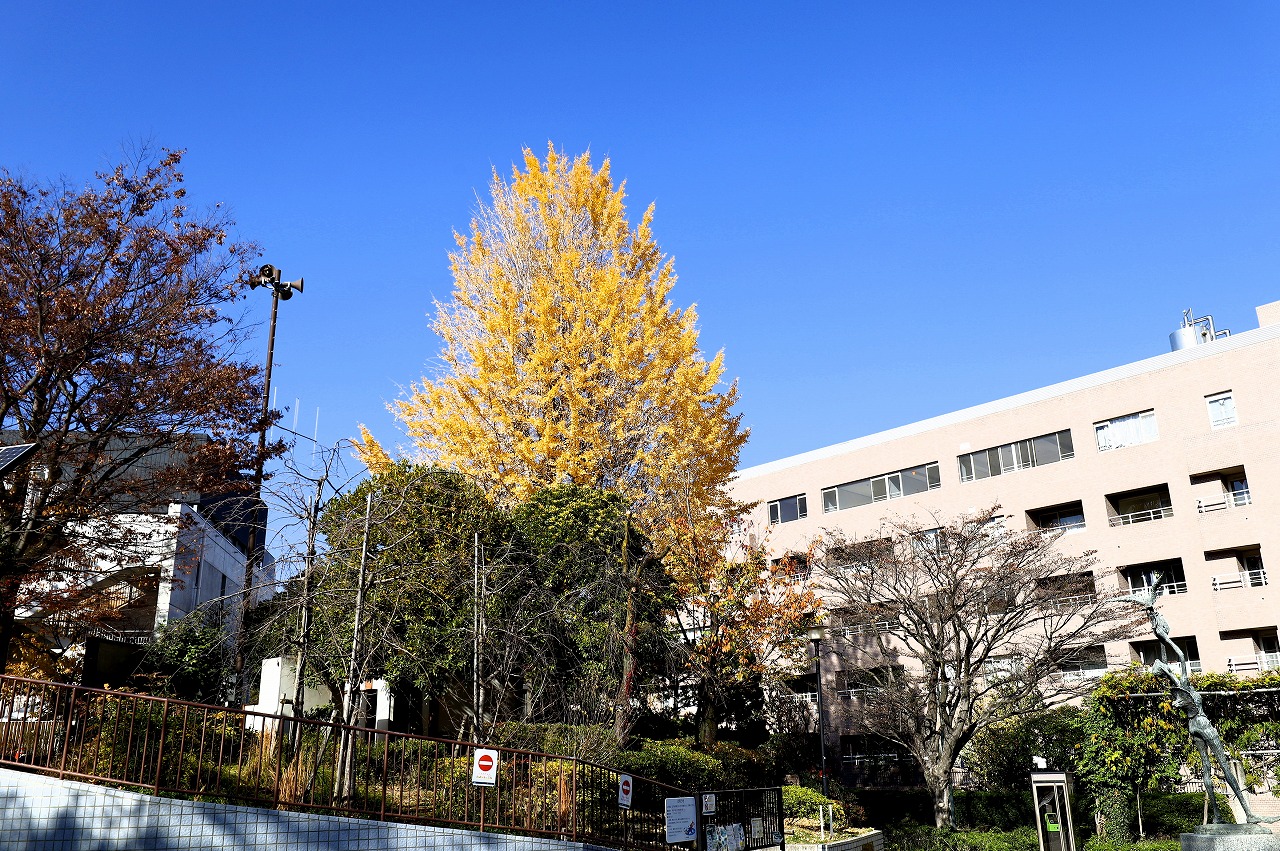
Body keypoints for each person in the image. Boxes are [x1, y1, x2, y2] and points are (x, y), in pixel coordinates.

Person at [1117, 577, 1276, 825]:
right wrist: (1164, 636)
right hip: (1202, 723)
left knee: (1206, 769)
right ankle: (1249, 814)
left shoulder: (1173, 687)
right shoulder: (1182, 683)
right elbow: (1181, 655)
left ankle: (1217, 816)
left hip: (1193, 726)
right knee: (1224, 766)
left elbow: (1165, 660)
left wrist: (1156, 626)